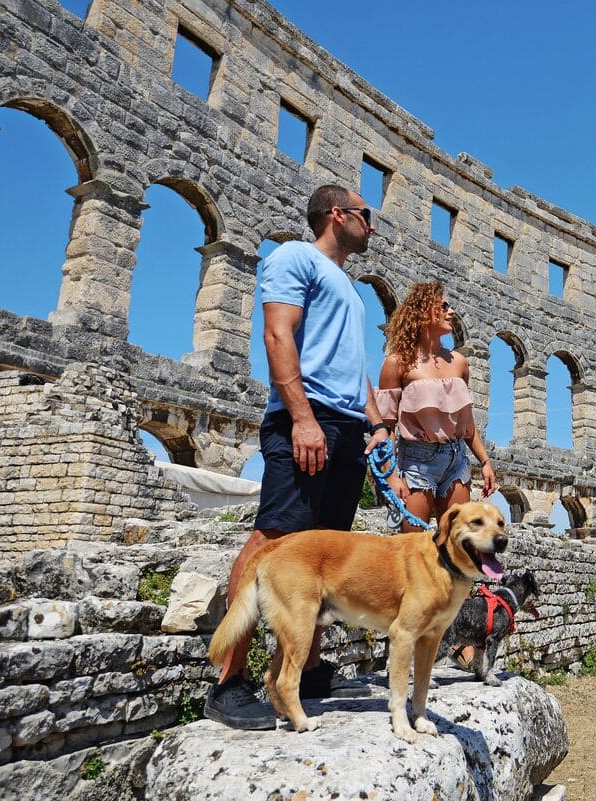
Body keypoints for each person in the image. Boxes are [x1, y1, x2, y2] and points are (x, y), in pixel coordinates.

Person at [204, 184, 391, 730]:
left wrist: (376, 424)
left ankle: (304, 668)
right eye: (365, 215)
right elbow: (276, 334)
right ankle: (228, 683)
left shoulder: (351, 291)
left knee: (324, 554)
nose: (372, 226)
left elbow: (354, 369)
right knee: (274, 539)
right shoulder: (294, 257)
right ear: (338, 215)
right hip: (305, 418)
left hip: (348, 427)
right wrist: (302, 417)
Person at [374, 281, 497, 529]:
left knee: (457, 543)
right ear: (422, 312)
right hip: (417, 460)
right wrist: (391, 476)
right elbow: (386, 427)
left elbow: (466, 423)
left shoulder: (459, 362)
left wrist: (485, 461)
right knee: (412, 545)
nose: (451, 311)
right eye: (443, 306)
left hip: (456, 459)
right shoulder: (397, 363)